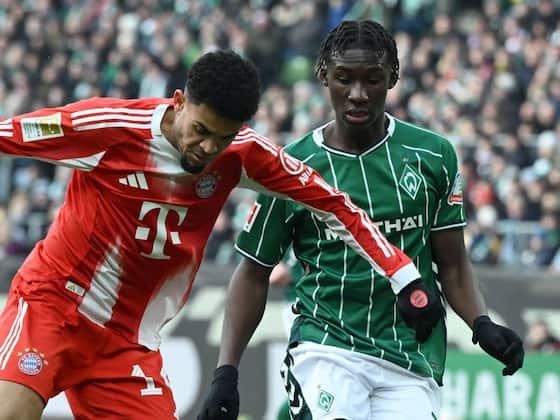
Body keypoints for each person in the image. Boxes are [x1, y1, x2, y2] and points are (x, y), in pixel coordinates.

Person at [0, 49, 437, 420]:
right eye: (201, 131)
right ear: (179, 103)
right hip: (53, 307)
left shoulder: (243, 155)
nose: (208, 148)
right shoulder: (110, 127)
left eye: (223, 138)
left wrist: (403, 275)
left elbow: (334, 204)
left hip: (126, 344)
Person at [199, 21, 525, 420]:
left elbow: (453, 264)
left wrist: (481, 323)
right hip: (326, 348)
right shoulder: (290, 166)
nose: (358, 93)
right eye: (344, 78)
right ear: (323, 75)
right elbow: (253, 271)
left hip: (409, 357)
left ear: (393, 78)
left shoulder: (434, 156)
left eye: (372, 79)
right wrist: (226, 372)